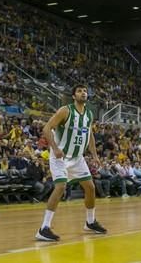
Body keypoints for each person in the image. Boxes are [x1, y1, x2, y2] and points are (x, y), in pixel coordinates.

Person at [35, 84, 107, 241]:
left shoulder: (89, 114)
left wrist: (95, 155)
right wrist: (55, 148)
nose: (83, 93)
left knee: (90, 188)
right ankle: (43, 228)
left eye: (85, 91)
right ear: (74, 96)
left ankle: (90, 222)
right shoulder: (65, 110)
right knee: (60, 186)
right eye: (80, 91)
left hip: (77, 158)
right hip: (60, 156)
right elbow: (47, 129)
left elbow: (90, 136)